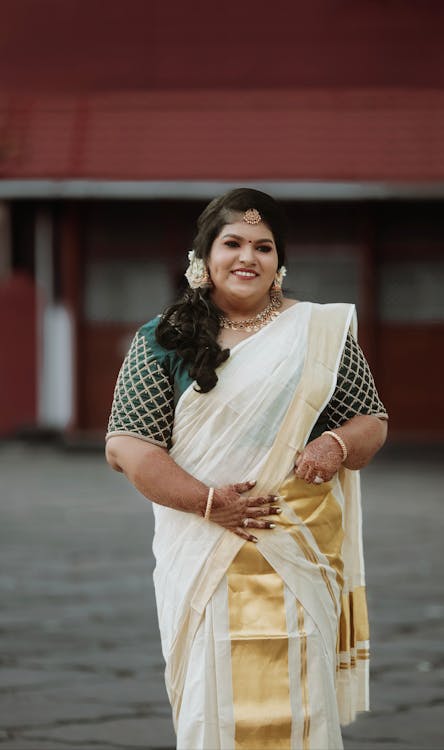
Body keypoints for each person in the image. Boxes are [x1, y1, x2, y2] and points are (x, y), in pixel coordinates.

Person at [105, 188, 388, 750]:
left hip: (298, 548)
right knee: (213, 702)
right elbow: (128, 447)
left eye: (263, 246)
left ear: (279, 262)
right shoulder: (163, 339)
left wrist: (333, 444)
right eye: (232, 243)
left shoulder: (318, 333)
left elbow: (371, 421)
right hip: (204, 548)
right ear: (203, 258)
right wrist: (211, 502)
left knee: (302, 698)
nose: (247, 257)